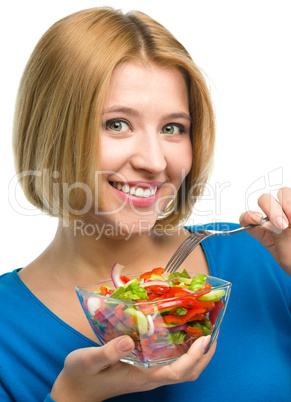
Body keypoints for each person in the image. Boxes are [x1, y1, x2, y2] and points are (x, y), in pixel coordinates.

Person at [1, 6, 290, 402]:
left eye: (173, 128)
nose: (155, 162)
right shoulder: (6, 329)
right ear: (52, 131)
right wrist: (70, 398)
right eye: (117, 124)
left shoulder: (259, 255)